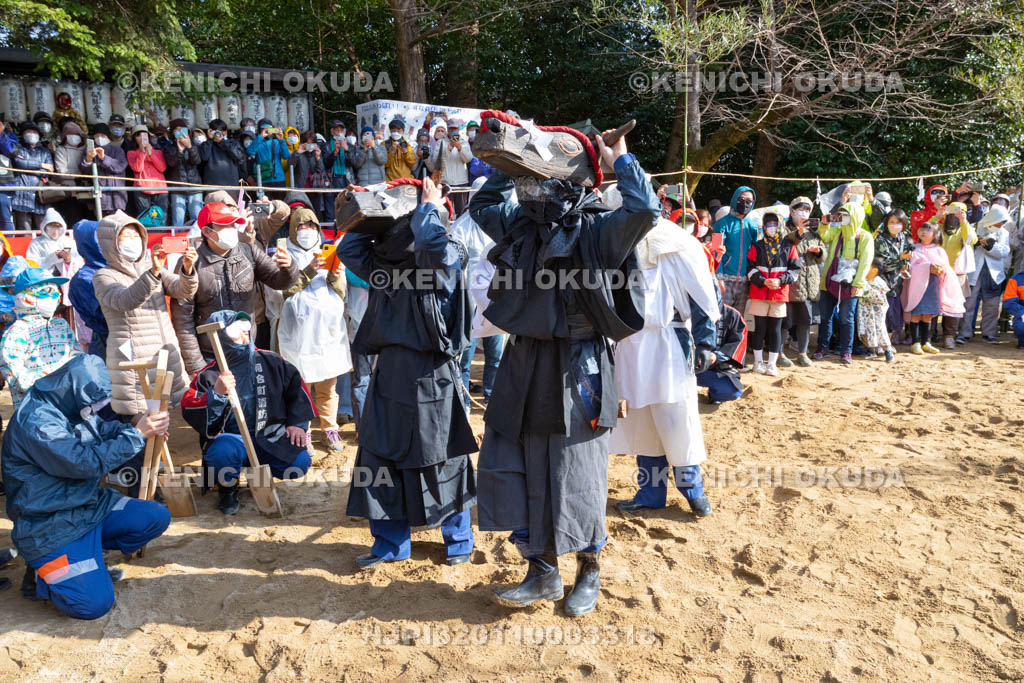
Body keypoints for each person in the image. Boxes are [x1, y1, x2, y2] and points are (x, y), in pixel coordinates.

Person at [469, 126, 659, 616]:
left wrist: (619, 161)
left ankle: (589, 569)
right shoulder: (519, 225)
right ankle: (542, 570)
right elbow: (481, 206)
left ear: (568, 182)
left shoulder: (597, 229)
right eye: (525, 180)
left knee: (577, 473)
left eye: (538, 178)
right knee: (521, 462)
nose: (530, 188)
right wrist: (504, 162)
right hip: (523, 360)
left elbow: (644, 210)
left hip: (581, 365)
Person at [340, 177, 477, 569]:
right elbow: (349, 245)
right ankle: (390, 543)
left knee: (442, 457)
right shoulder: (383, 265)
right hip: (390, 373)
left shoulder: (447, 257)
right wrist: (374, 205)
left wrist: (429, 207)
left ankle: (458, 540)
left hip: (432, 373)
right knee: (379, 457)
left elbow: (435, 246)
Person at [3, 355, 171, 619]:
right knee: (93, 604)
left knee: (155, 516)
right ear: (74, 390)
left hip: (88, 504)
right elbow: (85, 463)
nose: (93, 410)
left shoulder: (68, 403)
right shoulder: (38, 422)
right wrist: (137, 436)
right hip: (49, 521)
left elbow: (101, 429)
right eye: (91, 404)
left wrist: (133, 425)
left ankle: (89, 557)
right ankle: (41, 572)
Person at [609, 213, 720, 517]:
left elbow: (701, 294)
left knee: (677, 420)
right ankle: (650, 493)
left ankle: (693, 491)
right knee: (641, 422)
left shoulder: (674, 242)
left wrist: (706, 342)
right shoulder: (614, 239)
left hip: (668, 342)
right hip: (630, 345)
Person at [182, 310, 313, 515]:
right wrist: (216, 393)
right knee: (221, 454)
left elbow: (297, 390)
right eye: (236, 332)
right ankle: (227, 487)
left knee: (300, 462)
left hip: (270, 435)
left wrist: (298, 423)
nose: (244, 337)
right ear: (221, 337)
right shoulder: (209, 374)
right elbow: (190, 407)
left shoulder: (272, 361)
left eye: (246, 330)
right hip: (232, 439)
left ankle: (259, 473)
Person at [171, 201, 298, 376]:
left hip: (246, 346)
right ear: (207, 231)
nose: (232, 228)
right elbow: (182, 318)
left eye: (233, 224)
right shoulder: (191, 263)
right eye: (225, 225)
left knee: (251, 400)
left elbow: (279, 281)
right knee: (219, 402)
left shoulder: (249, 251)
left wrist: (289, 267)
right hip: (210, 355)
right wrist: (196, 366)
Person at [276, 207, 350, 452]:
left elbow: (341, 293)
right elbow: (281, 292)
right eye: (301, 227)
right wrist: (308, 271)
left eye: (311, 226)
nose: (306, 231)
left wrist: (335, 274)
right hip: (298, 334)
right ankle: (303, 429)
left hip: (327, 333)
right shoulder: (284, 253)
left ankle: (330, 429)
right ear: (293, 230)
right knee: (301, 385)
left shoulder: (327, 251)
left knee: (328, 386)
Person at [0, 268, 81, 410]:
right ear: (26, 297)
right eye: (45, 293)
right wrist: (45, 388)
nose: (53, 297)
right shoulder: (16, 332)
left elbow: (76, 355)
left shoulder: (61, 325)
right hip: (35, 408)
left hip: (67, 401)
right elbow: (11, 369)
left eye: (55, 292)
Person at [814, 202, 874, 364]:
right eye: (840, 215)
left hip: (851, 282)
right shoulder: (837, 231)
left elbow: (865, 263)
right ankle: (822, 348)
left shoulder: (865, 237)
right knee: (825, 316)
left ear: (855, 216)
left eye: (845, 215)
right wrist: (824, 224)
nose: (842, 218)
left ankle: (846, 351)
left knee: (847, 318)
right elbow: (824, 236)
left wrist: (858, 284)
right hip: (830, 279)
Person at [745, 211, 800, 376]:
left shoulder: (788, 246)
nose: (771, 227)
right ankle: (758, 362)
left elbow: (795, 270)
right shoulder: (756, 246)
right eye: (768, 224)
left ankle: (772, 364)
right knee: (759, 328)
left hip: (779, 293)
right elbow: (749, 268)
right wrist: (762, 281)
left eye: (774, 224)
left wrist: (780, 281)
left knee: (776, 329)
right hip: (760, 292)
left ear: (780, 225)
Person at [903, 222, 964, 354]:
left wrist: (940, 269)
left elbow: (946, 268)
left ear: (935, 235)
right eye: (922, 229)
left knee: (928, 315)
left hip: (933, 285)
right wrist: (927, 267)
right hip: (917, 286)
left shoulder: (939, 250)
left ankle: (926, 342)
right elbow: (910, 268)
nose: (924, 232)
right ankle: (915, 342)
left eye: (928, 230)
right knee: (916, 314)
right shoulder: (914, 249)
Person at [958, 205, 1011, 344]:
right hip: (974, 270)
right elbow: (963, 244)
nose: (1000, 225)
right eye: (999, 221)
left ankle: (989, 333)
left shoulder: (1003, 233)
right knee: (968, 303)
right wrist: (976, 243)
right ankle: (964, 333)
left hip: (994, 272)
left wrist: (990, 246)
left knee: (992, 304)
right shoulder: (973, 227)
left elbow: (1004, 251)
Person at [783, 197, 825, 367]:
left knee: (805, 322)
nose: (803, 212)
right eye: (799, 209)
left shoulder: (813, 234)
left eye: (807, 209)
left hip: (809, 284)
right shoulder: (784, 229)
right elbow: (786, 242)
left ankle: (802, 353)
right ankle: (779, 353)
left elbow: (823, 257)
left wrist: (819, 251)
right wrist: (799, 233)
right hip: (790, 284)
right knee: (784, 321)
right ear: (792, 211)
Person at [714, 185, 759, 313]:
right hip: (725, 279)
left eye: (749, 200)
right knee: (722, 317)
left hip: (745, 281)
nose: (745, 203)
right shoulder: (721, 224)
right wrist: (719, 277)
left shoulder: (753, 226)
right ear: (735, 199)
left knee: (738, 319)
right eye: (741, 199)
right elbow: (716, 251)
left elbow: (755, 252)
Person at [69, 220, 108, 359]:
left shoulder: (118, 268)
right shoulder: (83, 278)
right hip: (107, 344)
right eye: (102, 237)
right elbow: (105, 314)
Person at [938, 202, 976, 347]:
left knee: (953, 307)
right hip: (938, 273)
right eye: (951, 213)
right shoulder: (939, 228)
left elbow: (971, 240)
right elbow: (922, 234)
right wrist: (936, 218)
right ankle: (930, 334)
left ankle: (949, 336)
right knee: (934, 304)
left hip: (956, 274)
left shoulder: (964, 230)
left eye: (957, 213)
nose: (953, 217)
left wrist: (964, 221)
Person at [873, 210, 914, 344]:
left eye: (898, 222)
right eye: (892, 222)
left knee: (896, 313)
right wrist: (900, 259)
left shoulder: (903, 237)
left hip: (898, 283)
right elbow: (881, 264)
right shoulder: (880, 239)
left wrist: (905, 264)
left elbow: (905, 259)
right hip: (882, 283)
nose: (895, 225)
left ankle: (893, 337)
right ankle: (881, 343)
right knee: (883, 315)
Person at [7, 121, 54, 231]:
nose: (32, 134)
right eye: (29, 131)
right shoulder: (17, 148)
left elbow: (50, 170)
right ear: (23, 134)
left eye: (34, 132)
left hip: (40, 194)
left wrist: (28, 167)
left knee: (42, 230)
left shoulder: (44, 151)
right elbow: (19, 163)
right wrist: (41, 165)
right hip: (21, 194)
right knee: (24, 230)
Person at [696, 302, 747, 404]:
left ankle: (714, 394)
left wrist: (716, 356)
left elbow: (737, 342)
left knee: (731, 391)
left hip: (716, 370)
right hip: (684, 367)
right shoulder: (685, 309)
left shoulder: (733, 314)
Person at [82, 123, 129, 216]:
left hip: (117, 197)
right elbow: (84, 171)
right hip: (99, 196)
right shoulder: (89, 151)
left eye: (102, 135)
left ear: (108, 136)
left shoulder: (117, 150)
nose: (99, 138)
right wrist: (88, 159)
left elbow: (120, 166)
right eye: (96, 136)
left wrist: (104, 158)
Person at [429, 118, 474, 215]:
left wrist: (459, 148)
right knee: (445, 213)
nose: (453, 131)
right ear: (448, 129)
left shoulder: (463, 142)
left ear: (458, 130)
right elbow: (435, 160)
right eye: (451, 129)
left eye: (455, 129)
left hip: (461, 182)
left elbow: (469, 159)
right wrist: (448, 149)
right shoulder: (440, 142)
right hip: (445, 183)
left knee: (461, 213)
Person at [50, 120, 90, 226]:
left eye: (76, 134)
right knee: (74, 220)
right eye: (70, 134)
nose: (73, 137)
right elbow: (61, 171)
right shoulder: (61, 150)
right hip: (68, 191)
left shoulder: (86, 149)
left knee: (88, 218)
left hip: (87, 190)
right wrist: (80, 174)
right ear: (64, 136)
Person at [164, 118, 203, 226]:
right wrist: (180, 151)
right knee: (178, 221)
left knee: (198, 220)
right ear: (172, 132)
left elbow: (197, 161)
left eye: (183, 129)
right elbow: (171, 163)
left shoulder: (194, 146)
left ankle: (199, 241)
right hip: (177, 188)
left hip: (194, 187)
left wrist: (189, 147)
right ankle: (177, 241)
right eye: (177, 129)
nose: (180, 132)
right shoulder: (169, 148)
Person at [126, 125, 169, 219]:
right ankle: (147, 234)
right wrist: (142, 153)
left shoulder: (158, 152)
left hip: (160, 188)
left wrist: (151, 154)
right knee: (145, 217)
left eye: (144, 135)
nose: (141, 137)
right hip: (142, 189)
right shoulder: (131, 153)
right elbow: (137, 168)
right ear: (134, 139)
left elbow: (162, 168)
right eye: (138, 135)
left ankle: (162, 233)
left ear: (148, 137)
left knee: (161, 216)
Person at [857, 258, 895, 361]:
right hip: (865, 312)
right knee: (865, 330)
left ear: (874, 270)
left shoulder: (879, 282)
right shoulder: (863, 279)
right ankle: (871, 350)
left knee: (880, 330)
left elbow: (878, 297)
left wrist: (865, 289)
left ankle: (888, 351)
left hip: (876, 312)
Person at [26, 207, 81, 272]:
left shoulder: (69, 242)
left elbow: (79, 264)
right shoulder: (36, 243)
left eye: (58, 227)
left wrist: (68, 260)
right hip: (45, 278)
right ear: (45, 227)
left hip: (68, 277)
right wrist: (53, 257)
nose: (55, 231)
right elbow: (31, 265)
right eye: (51, 227)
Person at [290, 131, 328, 218]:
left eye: (312, 143)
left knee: (316, 213)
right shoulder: (298, 153)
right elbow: (290, 165)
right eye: (308, 143)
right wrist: (298, 153)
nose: (310, 146)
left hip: (314, 188)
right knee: (301, 213)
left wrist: (318, 158)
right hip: (301, 188)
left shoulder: (316, 154)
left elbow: (320, 170)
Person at [197, 119, 244, 188]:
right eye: (215, 131)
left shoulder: (233, 143)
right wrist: (209, 139)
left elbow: (237, 156)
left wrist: (221, 141)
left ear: (225, 132)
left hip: (230, 184)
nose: (217, 134)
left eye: (219, 131)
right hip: (211, 185)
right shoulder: (206, 144)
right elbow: (204, 157)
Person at [249, 119, 290, 195]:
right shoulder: (257, 142)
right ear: (259, 130)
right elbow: (250, 151)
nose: (267, 131)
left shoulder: (277, 142)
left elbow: (286, 156)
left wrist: (281, 140)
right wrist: (260, 136)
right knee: (265, 204)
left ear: (273, 129)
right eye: (264, 129)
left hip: (279, 178)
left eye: (270, 129)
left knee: (280, 204)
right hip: (263, 179)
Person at [322, 120, 352, 221]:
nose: (339, 133)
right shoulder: (326, 145)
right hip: (331, 178)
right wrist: (334, 152)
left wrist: (347, 150)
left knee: (346, 207)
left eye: (341, 130)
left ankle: (345, 234)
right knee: (330, 210)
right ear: (332, 132)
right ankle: (330, 234)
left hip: (346, 179)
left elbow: (354, 163)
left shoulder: (349, 145)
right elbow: (326, 164)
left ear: (344, 132)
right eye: (336, 130)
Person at [1001, 269, 1024, 348]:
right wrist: (1022, 312)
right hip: (1022, 313)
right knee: (1021, 325)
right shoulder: (1016, 279)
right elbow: (1009, 302)